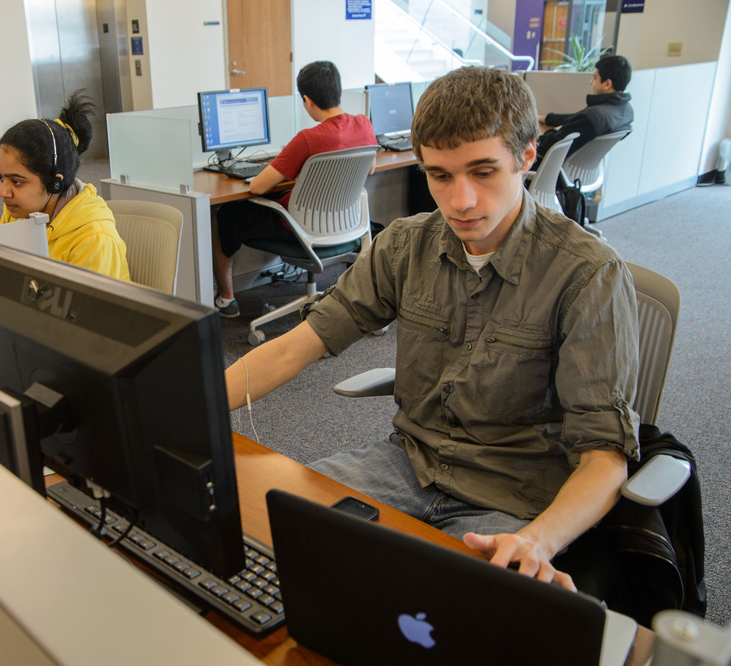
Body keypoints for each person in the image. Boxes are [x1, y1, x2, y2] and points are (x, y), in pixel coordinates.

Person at [225, 66, 641, 590]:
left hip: (510, 499)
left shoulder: (587, 275)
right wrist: (198, 402)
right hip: (405, 466)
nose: (460, 201)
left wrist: (539, 541)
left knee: (464, 621)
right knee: (267, 537)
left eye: (483, 172)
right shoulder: (405, 245)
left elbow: (606, 458)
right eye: (440, 175)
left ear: (527, 156)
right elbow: (295, 348)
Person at [212, 60, 377, 317]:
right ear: (338, 91)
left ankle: (226, 299)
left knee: (225, 214)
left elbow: (257, 187)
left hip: (299, 228)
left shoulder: (308, 139)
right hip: (345, 225)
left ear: (308, 101)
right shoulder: (364, 124)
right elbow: (371, 169)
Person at [0, 91, 130, 281]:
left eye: (16, 182)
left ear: (55, 183)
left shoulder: (94, 240)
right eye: (1, 178)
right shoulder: (16, 211)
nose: (3, 192)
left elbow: (92, 310)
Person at [535, 54, 634, 166]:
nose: (591, 82)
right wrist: (543, 118)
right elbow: (576, 118)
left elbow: (548, 146)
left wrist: (551, 132)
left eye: (595, 78)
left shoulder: (593, 117)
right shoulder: (624, 111)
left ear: (607, 84)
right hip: (578, 172)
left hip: (551, 171)